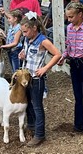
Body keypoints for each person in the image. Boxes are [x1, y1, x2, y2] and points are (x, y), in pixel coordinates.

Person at [18, 11, 61, 147]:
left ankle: (40, 134)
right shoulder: (27, 39)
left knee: (37, 106)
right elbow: (26, 52)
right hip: (26, 77)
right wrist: (22, 54)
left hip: (36, 78)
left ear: (34, 28)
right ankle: (31, 126)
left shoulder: (43, 40)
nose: (23, 34)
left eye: (25, 31)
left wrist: (45, 68)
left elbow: (57, 54)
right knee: (28, 104)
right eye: (22, 32)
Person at [57, 2, 83, 133]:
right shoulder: (69, 28)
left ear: (80, 14)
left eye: (71, 17)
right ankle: (79, 125)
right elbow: (69, 47)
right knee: (78, 95)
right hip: (74, 64)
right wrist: (63, 56)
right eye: (67, 17)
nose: (69, 20)